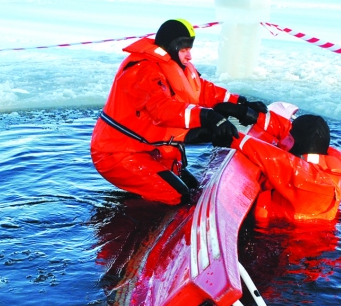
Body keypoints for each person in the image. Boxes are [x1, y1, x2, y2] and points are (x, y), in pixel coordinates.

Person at [90, 19, 269, 205]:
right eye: (184, 50)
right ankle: (139, 227)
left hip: (151, 149)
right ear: (172, 47)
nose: (189, 55)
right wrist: (207, 117)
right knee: (178, 196)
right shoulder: (142, 71)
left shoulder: (176, 66)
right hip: (119, 154)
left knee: (193, 189)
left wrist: (239, 103)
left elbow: (203, 90)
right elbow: (161, 109)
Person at [231, 107, 341, 223]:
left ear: (302, 147)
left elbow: (276, 158)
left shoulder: (315, 181)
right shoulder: (323, 159)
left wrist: (230, 135)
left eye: (289, 140)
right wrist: (253, 115)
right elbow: (292, 134)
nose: (284, 141)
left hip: (287, 240)